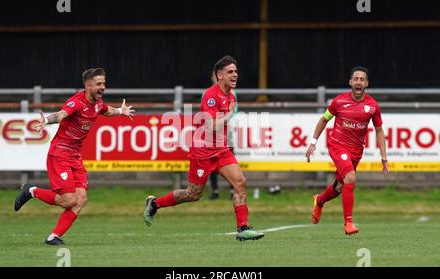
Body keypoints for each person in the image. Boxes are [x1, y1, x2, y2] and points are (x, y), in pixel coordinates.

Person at [143, 55, 264, 241]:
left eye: (236, 71)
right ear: (220, 75)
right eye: (230, 72)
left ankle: (242, 229)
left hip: (221, 150)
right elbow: (212, 126)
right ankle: (155, 204)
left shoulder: (231, 96)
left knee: (240, 183)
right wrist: (230, 113)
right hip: (203, 152)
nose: (235, 75)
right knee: (193, 194)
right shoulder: (210, 95)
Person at [13, 68, 134, 245]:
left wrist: (120, 111)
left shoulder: (98, 104)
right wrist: (46, 120)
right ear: (88, 85)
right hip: (60, 154)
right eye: (99, 84)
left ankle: (53, 237)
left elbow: (106, 110)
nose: (103, 87)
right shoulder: (76, 102)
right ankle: (31, 191)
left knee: (81, 199)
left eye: (104, 84)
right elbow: (61, 115)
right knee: (68, 201)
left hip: (75, 156)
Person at [305, 66, 389, 235]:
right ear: (350, 82)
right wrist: (313, 142)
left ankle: (319, 201)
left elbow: (379, 130)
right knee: (351, 177)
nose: (358, 82)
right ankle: (348, 223)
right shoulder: (339, 102)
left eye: (362, 79)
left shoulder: (372, 106)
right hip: (337, 146)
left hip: (356, 151)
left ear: (367, 83)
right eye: (356, 79)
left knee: (340, 187)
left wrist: (384, 157)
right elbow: (324, 120)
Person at [207, 70, 235, 200]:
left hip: (226, 133)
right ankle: (215, 190)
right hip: (212, 136)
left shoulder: (231, 93)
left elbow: (232, 113)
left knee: (230, 163)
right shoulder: (208, 94)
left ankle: (232, 190)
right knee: (211, 164)